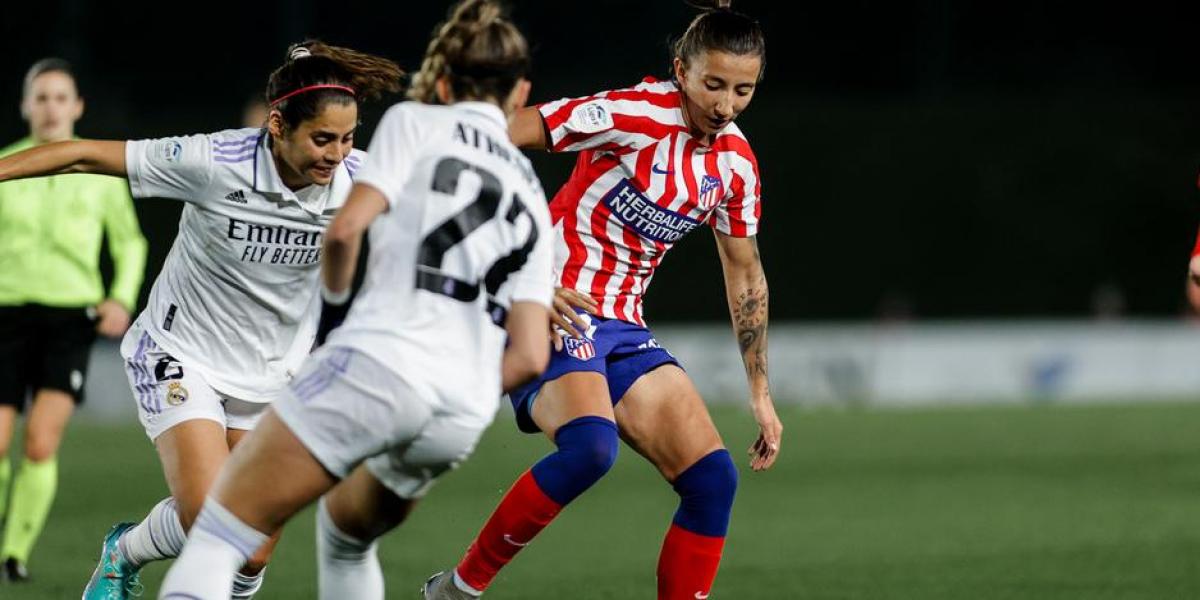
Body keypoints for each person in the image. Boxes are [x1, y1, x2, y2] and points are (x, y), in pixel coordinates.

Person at [157, 2, 550, 599]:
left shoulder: (417, 124)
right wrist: (453, 388)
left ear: (443, 81)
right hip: (461, 412)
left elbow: (345, 232)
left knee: (221, 530)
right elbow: (529, 357)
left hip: (382, 365)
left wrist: (334, 319)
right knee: (347, 538)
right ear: (520, 92)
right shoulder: (529, 192)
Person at [0, 41, 401, 599]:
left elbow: (445, 228)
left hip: (274, 372)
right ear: (277, 124)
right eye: (322, 138)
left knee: (253, 551)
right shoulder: (212, 161)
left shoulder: (362, 181)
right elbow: (81, 154)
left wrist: (527, 287)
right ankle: (138, 558)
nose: (337, 154)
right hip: (179, 352)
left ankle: (127, 549)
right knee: (215, 520)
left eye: (349, 137)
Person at [424, 2, 782, 599]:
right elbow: (491, 135)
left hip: (622, 324)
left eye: (743, 90)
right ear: (680, 70)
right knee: (591, 449)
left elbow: (744, 272)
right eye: (713, 83)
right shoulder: (633, 113)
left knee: (713, 479)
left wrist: (761, 393)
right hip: (551, 307)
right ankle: (458, 590)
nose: (725, 104)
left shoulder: (736, 165)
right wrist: (513, 264)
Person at [0, 58, 147, 583]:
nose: (51, 107)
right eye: (41, 97)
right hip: (7, 313)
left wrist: (120, 297)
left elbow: (130, 242)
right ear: (25, 106)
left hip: (69, 318)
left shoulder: (98, 172)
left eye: (61, 97)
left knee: (40, 441)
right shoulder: (6, 165)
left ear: (77, 106)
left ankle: (13, 555)